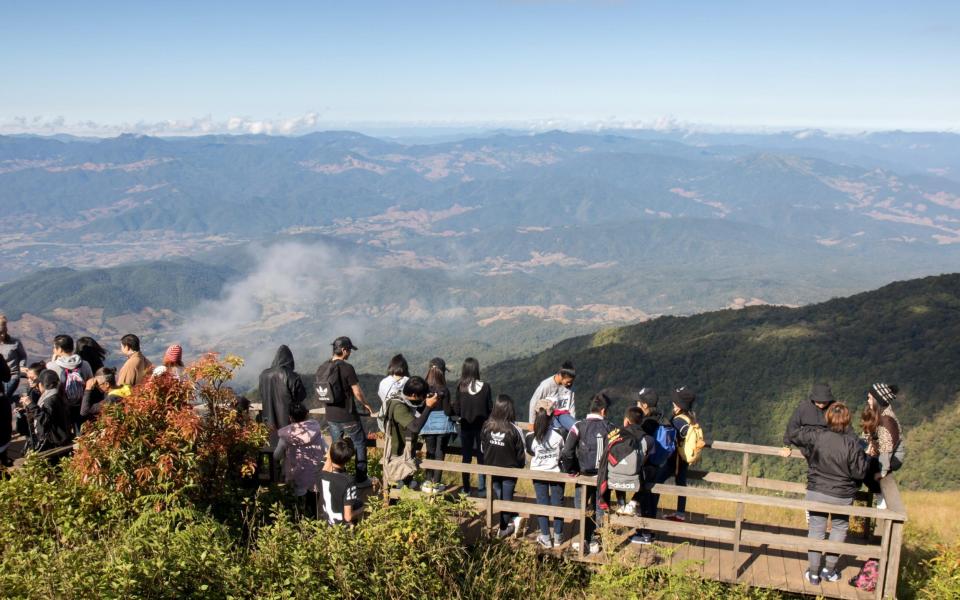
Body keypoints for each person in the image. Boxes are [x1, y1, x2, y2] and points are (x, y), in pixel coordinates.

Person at [794, 402, 870, 585]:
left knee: (816, 530)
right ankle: (829, 570)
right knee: (839, 528)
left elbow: (797, 437)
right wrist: (866, 456)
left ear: (827, 418)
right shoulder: (852, 444)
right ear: (846, 421)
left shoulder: (817, 437)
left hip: (817, 491)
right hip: (842, 495)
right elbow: (859, 472)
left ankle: (813, 573)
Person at [315, 336, 375, 488]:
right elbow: (357, 391)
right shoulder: (347, 368)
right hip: (347, 416)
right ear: (343, 350)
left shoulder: (322, 367)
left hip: (331, 415)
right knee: (360, 443)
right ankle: (361, 479)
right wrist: (366, 404)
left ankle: (338, 476)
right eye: (349, 350)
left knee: (336, 446)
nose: (350, 353)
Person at [560, 391, 613, 554]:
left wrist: (572, 469)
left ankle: (583, 537)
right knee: (600, 507)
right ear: (603, 411)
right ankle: (596, 540)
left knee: (581, 506)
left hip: (583, 475)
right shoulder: (611, 428)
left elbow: (567, 451)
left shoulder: (578, 426)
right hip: (603, 477)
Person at [598, 406, 657, 543]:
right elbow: (649, 459)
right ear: (641, 421)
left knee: (620, 470)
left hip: (612, 480)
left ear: (626, 421)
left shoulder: (614, 435)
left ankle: (621, 504)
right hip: (634, 481)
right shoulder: (648, 439)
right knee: (651, 473)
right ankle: (633, 503)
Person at [481, 394, 526, 538]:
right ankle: (503, 528)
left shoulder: (487, 425)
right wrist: (519, 467)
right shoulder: (515, 429)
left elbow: (483, 448)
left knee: (499, 494)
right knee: (506, 499)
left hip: (491, 468)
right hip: (510, 470)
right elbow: (521, 453)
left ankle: (511, 517)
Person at [383, 376, 440, 489]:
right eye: (422, 396)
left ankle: (406, 487)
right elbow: (415, 427)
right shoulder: (398, 406)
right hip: (397, 452)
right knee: (395, 484)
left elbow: (416, 413)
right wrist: (428, 407)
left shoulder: (406, 400)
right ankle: (391, 502)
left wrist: (428, 403)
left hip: (406, 448)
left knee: (406, 480)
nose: (423, 399)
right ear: (414, 395)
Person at [274, 399, 328, 518]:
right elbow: (325, 449)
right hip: (314, 472)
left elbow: (276, 455)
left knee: (297, 503)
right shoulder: (315, 429)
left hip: (295, 475)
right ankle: (313, 521)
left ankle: (298, 522)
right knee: (313, 502)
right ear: (306, 415)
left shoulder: (286, 434)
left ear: (290, 417)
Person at [525, 397, 566, 548]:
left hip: (538, 473)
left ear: (536, 414)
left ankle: (546, 538)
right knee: (558, 503)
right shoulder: (560, 434)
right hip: (556, 472)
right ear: (553, 415)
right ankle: (559, 537)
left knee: (542, 503)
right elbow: (564, 451)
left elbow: (531, 452)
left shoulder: (530, 437)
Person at [860, 383, 905, 509]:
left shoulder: (887, 421)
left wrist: (882, 472)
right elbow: (867, 436)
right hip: (881, 453)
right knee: (858, 450)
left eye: (869, 398)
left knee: (864, 464)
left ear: (876, 400)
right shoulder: (879, 413)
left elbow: (886, 449)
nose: (867, 400)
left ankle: (881, 497)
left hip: (892, 459)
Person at [419, 358, 457, 493]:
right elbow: (447, 411)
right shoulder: (444, 389)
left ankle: (427, 482)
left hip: (427, 424)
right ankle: (437, 483)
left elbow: (420, 408)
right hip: (442, 426)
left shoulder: (423, 388)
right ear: (442, 372)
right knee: (440, 453)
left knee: (430, 451)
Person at [456, 357, 492, 497]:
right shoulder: (485, 386)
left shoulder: (460, 387)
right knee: (482, 457)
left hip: (465, 427)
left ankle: (466, 489)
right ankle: (482, 489)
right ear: (476, 369)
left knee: (466, 458)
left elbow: (457, 409)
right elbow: (490, 408)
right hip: (482, 428)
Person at [46, 334, 94, 434]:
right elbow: (91, 381)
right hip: (81, 404)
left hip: (63, 405)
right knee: (80, 431)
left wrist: (53, 359)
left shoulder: (52, 366)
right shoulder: (85, 364)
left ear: (59, 349)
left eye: (55, 347)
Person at [662, 387, 697, 522]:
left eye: (675, 402)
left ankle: (648, 511)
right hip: (684, 458)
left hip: (674, 459)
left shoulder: (678, 420)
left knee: (656, 481)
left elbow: (668, 438)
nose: (673, 404)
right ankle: (680, 513)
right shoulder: (691, 417)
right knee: (681, 482)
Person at [259, 345, 307, 442]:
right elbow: (301, 396)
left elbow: (262, 395)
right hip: (288, 423)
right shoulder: (292, 376)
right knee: (288, 451)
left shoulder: (263, 375)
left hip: (268, 423)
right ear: (290, 360)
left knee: (272, 450)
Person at [24, 370, 73, 452]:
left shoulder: (50, 399)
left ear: (42, 384)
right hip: (60, 437)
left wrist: (31, 405)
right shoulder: (57, 393)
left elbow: (45, 419)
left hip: (54, 442)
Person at [782, 383, 835, 458]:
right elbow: (792, 425)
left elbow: (845, 427)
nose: (821, 405)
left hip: (828, 440)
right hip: (808, 441)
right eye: (818, 402)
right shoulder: (804, 407)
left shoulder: (835, 408)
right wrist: (786, 445)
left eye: (825, 402)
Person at [318, 438, 362, 526]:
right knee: (359, 503)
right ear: (348, 460)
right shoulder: (348, 481)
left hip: (325, 524)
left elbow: (327, 459)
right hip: (341, 529)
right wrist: (364, 508)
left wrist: (333, 448)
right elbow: (348, 517)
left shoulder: (320, 472)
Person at [529, 361, 576, 432]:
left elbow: (572, 407)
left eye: (571, 382)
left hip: (564, 415)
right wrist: (532, 423)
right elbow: (533, 402)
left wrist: (572, 422)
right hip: (548, 416)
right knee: (560, 431)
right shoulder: (546, 386)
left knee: (576, 428)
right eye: (568, 381)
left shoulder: (569, 388)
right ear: (560, 375)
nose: (569, 384)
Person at [14, 362, 45, 448]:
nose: (29, 380)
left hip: (41, 434)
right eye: (28, 378)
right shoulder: (32, 390)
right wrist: (23, 411)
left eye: (32, 378)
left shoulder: (43, 394)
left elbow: (43, 416)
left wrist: (30, 404)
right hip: (33, 432)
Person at [0, 315, 28, 398]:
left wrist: (21, 366)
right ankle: (17, 398)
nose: (2, 335)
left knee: (4, 397)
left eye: (3, 332)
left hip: (13, 375)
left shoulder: (15, 343)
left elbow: (23, 356)